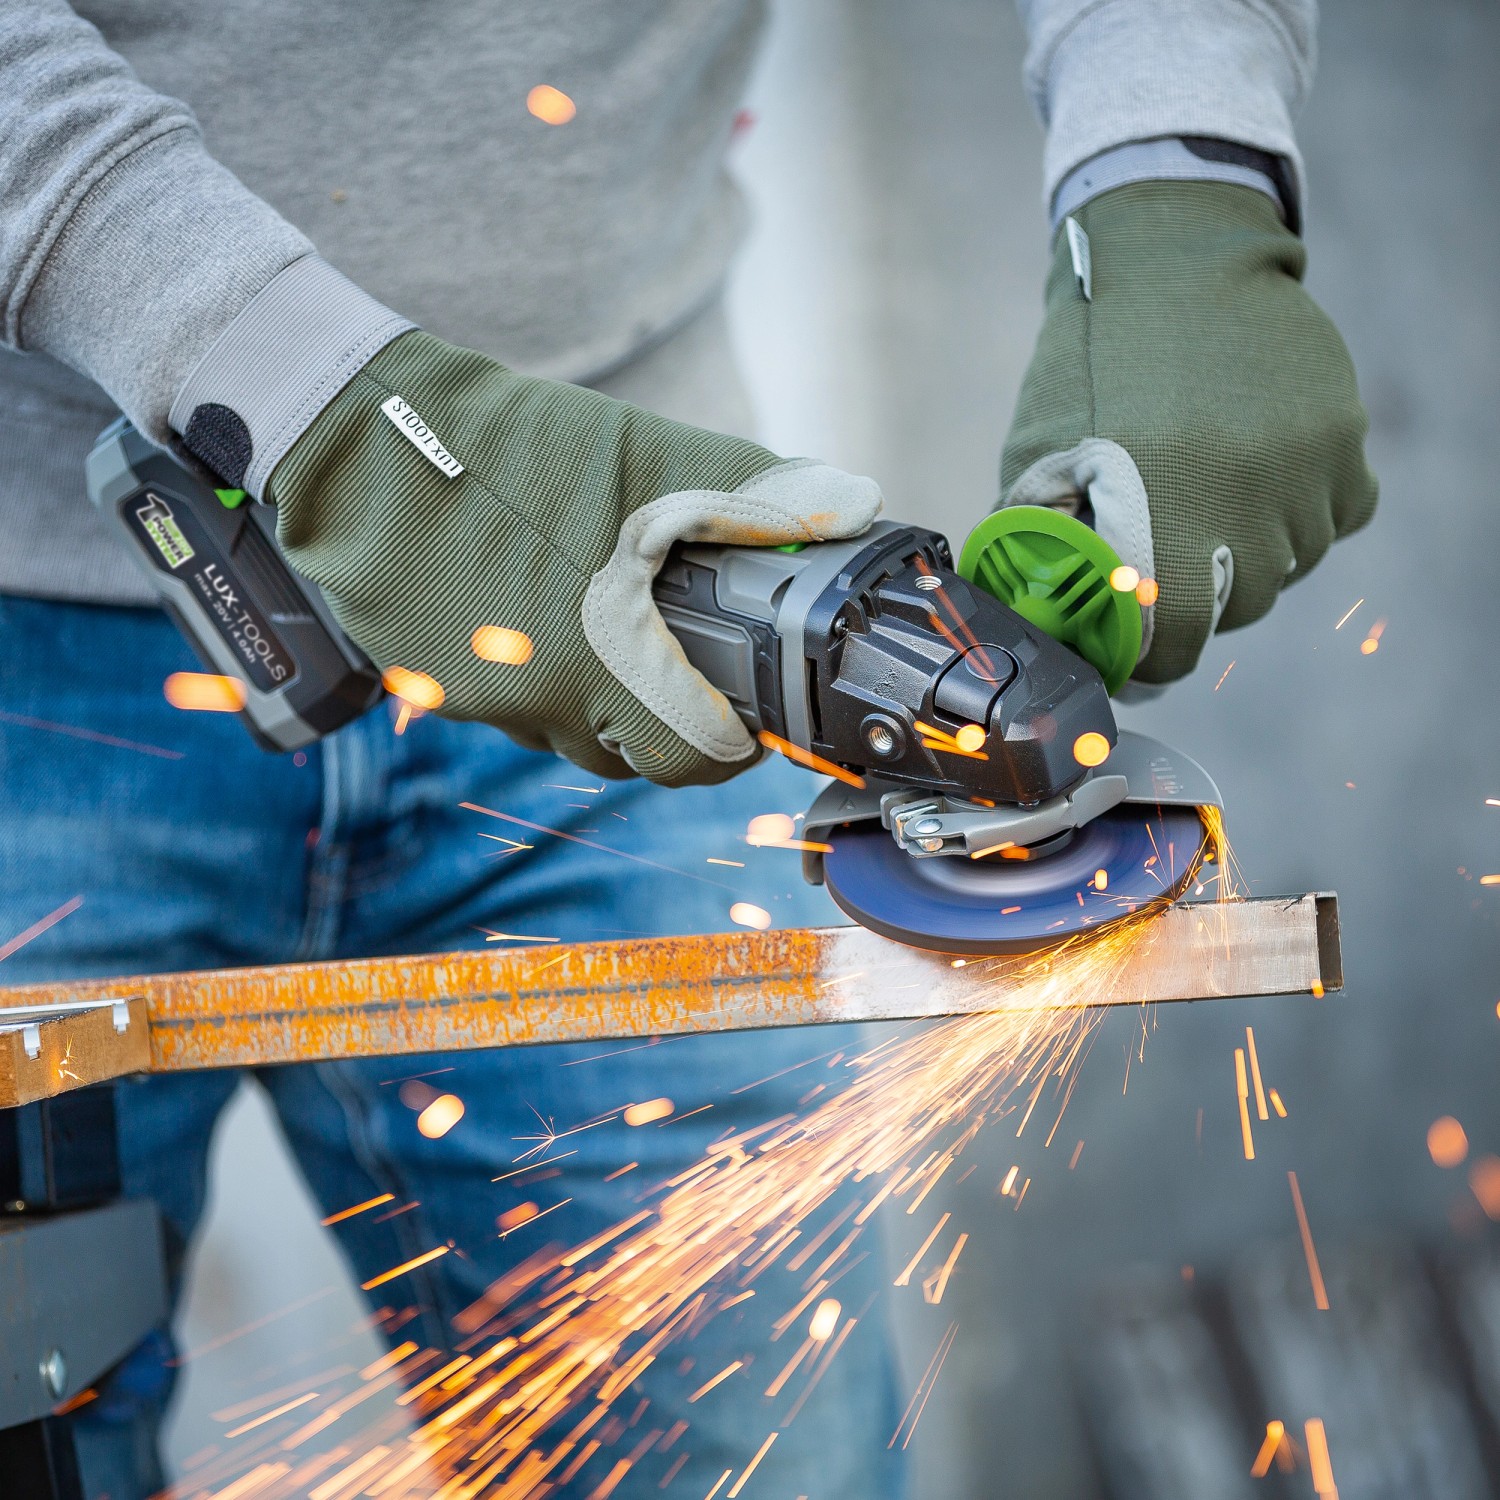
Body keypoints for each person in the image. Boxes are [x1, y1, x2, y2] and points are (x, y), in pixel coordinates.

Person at [0, 1, 1375, 1495]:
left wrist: (1176, 171)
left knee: (748, 1444)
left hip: (627, 613)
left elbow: (1170, 109)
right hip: (38, 644)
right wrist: (284, 382)